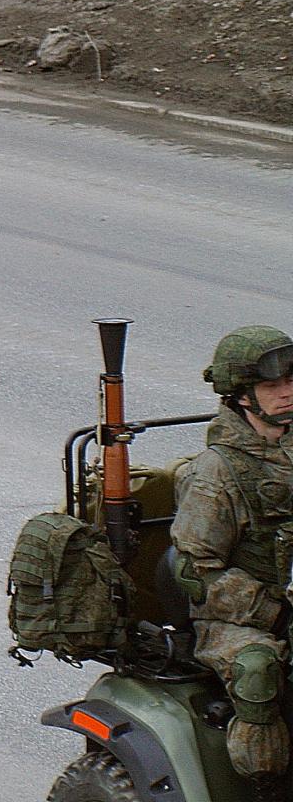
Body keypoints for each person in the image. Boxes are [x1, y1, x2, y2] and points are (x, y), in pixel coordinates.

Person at [171, 326, 293, 778]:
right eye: (270, 386)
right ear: (242, 397)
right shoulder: (216, 474)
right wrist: (276, 615)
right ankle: (265, 782)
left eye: (291, 382)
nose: (286, 394)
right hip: (241, 618)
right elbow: (195, 571)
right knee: (259, 670)